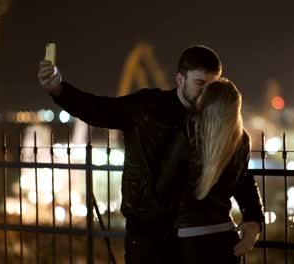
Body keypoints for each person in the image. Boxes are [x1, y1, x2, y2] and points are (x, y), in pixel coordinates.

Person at [38, 45, 263, 263]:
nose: (207, 94)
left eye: (213, 86)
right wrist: (58, 89)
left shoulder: (220, 125)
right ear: (180, 79)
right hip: (148, 236)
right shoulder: (147, 107)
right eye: (200, 84)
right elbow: (98, 109)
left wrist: (254, 218)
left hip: (194, 240)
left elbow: (239, 173)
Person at [175, 79, 264, 264]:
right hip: (225, 239)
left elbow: (164, 186)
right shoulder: (240, 139)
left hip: (185, 239)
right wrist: (254, 219)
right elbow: (245, 181)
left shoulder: (186, 132)